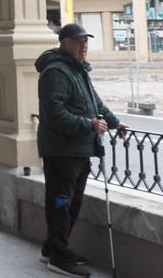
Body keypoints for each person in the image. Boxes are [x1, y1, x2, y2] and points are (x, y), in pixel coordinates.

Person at [35, 23, 128, 277]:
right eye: (78, 41)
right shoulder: (56, 72)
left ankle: (52, 247)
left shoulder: (78, 71)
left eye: (86, 41)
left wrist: (115, 121)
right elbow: (55, 115)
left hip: (78, 149)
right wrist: (89, 124)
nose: (84, 45)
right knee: (61, 202)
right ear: (64, 43)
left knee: (70, 202)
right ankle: (58, 255)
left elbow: (94, 102)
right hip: (62, 151)